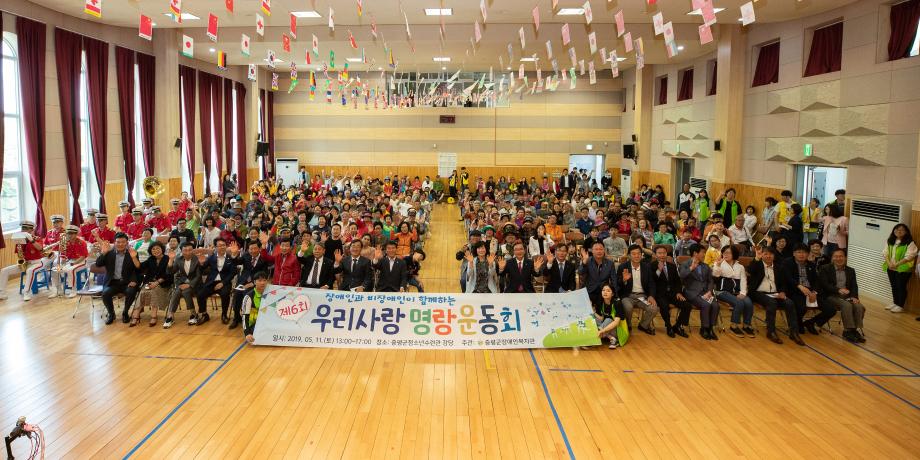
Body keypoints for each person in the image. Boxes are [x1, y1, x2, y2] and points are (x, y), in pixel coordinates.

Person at [748, 245, 803, 345]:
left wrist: (782, 292)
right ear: (762, 255)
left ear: (774, 256)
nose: (768, 256)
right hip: (758, 293)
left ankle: (794, 332)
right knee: (771, 303)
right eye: (766, 254)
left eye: (771, 254)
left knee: (789, 303)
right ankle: (771, 331)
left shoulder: (779, 267)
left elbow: (783, 283)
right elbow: (750, 270)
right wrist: (756, 258)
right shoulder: (757, 265)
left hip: (775, 293)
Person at [781, 243, 836, 335]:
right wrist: (800, 286)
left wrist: (814, 292)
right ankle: (798, 323)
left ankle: (810, 323)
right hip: (795, 291)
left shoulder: (811, 265)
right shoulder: (787, 263)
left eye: (804, 252)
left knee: (831, 310)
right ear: (794, 253)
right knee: (801, 307)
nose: (801, 254)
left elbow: (816, 281)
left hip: (810, 292)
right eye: (799, 252)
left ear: (808, 254)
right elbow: (788, 278)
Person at [818, 249, 865, 343]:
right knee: (846, 305)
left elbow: (854, 286)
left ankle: (854, 330)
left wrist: (854, 297)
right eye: (836, 256)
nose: (838, 258)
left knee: (859, 306)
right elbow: (825, 285)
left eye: (841, 256)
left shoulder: (850, 270)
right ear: (832, 258)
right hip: (831, 295)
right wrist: (838, 290)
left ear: (845, 258)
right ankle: (847, 331)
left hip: (846, 296)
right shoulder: (825, 268)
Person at [95, 233, 142, 325]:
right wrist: (104, 253)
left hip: (127, 282)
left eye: (123, 242)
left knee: (131, 291)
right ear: (114, 243)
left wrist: (134, 280)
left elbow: (137, 270)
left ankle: (125, 312)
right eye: (118, 242)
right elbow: (98, 264)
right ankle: (111, 314)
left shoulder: (132, 253)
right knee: (105, 293)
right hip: (112, 282)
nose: (120, 244)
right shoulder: (109, 253)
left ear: (127, 243)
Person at [228, 239, 273, 329]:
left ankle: (249, 319)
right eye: (250, 249)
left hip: (255, 284)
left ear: (259, 249)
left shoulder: (263, 259)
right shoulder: (246, 256)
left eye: (255, 248)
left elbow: (265, 274)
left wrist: (253, 283)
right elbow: (236, 262)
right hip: (242, 282)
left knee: (248, 296)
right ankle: (236, 318)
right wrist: (234, 254)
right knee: (236, 296)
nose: (253, 251)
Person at [712, 245, 755, 338]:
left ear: (734, 254)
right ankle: (733, 325)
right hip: (722, 291)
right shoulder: (719, 264)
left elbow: (743, 281)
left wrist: (743, 293)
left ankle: (746, 325)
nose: (725, 254)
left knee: (748, 303)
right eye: (724, 253)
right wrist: (718, 265)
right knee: (739, 303)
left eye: (728, 253)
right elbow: (715, 275)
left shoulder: (740, 267)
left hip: (736, 292)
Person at [616, 244, 659, 335]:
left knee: (653, 308)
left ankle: (643, 325)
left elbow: (651, 283)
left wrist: (651, 296)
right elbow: (617, 284)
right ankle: (628, 325)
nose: (636, 256)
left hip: (642, 297)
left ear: (641, 255)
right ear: (629, 255)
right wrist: (623, 280)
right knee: (628, 307)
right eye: (634, 254)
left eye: (638, 253)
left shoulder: (646, 267)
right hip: (628, 296)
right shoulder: (622, 267)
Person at [651, 245, 691, 338]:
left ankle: (677, 326)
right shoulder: (651, 266)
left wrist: (678, 292)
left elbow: (677, 282)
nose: (662, 255)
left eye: (664, 253)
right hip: (659, 294)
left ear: (667, 254)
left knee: (687, 305)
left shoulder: (672, 266)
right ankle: (669, 327)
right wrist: (659, 270)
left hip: (673, 293)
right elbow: (651, 281)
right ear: (655, 255)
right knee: (664, 306)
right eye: (659, 253)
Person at [197, 238, 238, 324]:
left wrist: (223, 283)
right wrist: (201, 263)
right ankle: (204, 314)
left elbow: (233, 272)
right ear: (216, 247)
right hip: (211, 282)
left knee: (225, 294)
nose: (222, 247)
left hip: (224, 282)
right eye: (219, 245)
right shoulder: (211, 257)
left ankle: (224, 315)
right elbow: (202, 269)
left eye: (224, 245)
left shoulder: (231, 258)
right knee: (200, 294)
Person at [131, 241, 171, 327]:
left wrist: (156, 283)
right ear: (150, 251)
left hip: (163, 284)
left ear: (162, 249)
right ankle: (136, 315)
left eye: (157, 248)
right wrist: (134, 257)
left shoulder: (167, 258)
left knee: (153, 292)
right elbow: (139, 268)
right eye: (153, 249)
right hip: (149, 282)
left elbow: (168, 274)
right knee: (142, 292)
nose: (155, 250)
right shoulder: (150, 259)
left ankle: (154, 316)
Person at [165, 241, 202, 328]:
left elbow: (198, 276)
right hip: (182, 283)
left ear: (193, 250)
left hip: (196, 284)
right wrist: (171, 260)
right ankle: (170, 316)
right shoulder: (178, 259)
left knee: (186, 291)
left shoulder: (197, 259)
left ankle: (193, 314)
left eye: (190, 250)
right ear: (181, 251)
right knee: (176, 291)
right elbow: (170, 272)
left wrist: (189, 284)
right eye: (185, 250)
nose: (188, 252)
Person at [883, 224, 917, 313]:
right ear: (894, 230)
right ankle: (895, 302)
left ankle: (900, 305)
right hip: (891, 267)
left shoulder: (910, 243)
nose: (899, 231)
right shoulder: (890, 240)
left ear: (906, 232)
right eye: (897, 229)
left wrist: (896, 264)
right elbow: (885, 253)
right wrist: (889, 263)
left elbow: (909, 256)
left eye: (902, 230)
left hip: (903, 269)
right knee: (894, 286)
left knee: (901, 286)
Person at [51, 225, 89, 299]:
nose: (69, 235)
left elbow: (83, 257)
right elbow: (63, 255)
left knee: (71, 270)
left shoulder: (81, 242)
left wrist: (73, 263)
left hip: (81, 262)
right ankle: (58, 289)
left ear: (76, 234)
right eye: (68, 233)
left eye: (72, 233)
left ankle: (73, 290)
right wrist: (62, 255)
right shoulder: (66, 242)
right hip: (70, 261)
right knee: (54, 270)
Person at [579, 241, 616, 306]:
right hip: (589, 291)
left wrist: (615, 295)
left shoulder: (610, 263)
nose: (599, 251)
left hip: (603, 292)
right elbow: (580, 272)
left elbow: (614, 280)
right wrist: (584, 262)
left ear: (604, 250)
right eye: (596, 249)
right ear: (592, 251)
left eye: (601, 249)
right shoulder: (587, 260)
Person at [241, 271, 271, 344]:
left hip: (268, 321)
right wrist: (247, 333)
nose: (262, 283)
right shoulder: (248, 297)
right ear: (254, 282)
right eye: (259, 280)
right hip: (255, 324)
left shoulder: (271, 294)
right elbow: (245, 316)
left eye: (264, 280)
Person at [594, 284, 626, 349]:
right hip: (607, 328)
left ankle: (593, 339)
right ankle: (611, 338)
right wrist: (593, 312)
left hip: (618, 330)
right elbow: (602, 319)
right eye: (603, 290)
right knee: (593, 318)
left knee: (608, 319)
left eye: (608, 291)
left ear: (612, 294)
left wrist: (602, 331)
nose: (605, 292)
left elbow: (616, 322)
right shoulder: (601, 302)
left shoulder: (617, 303)